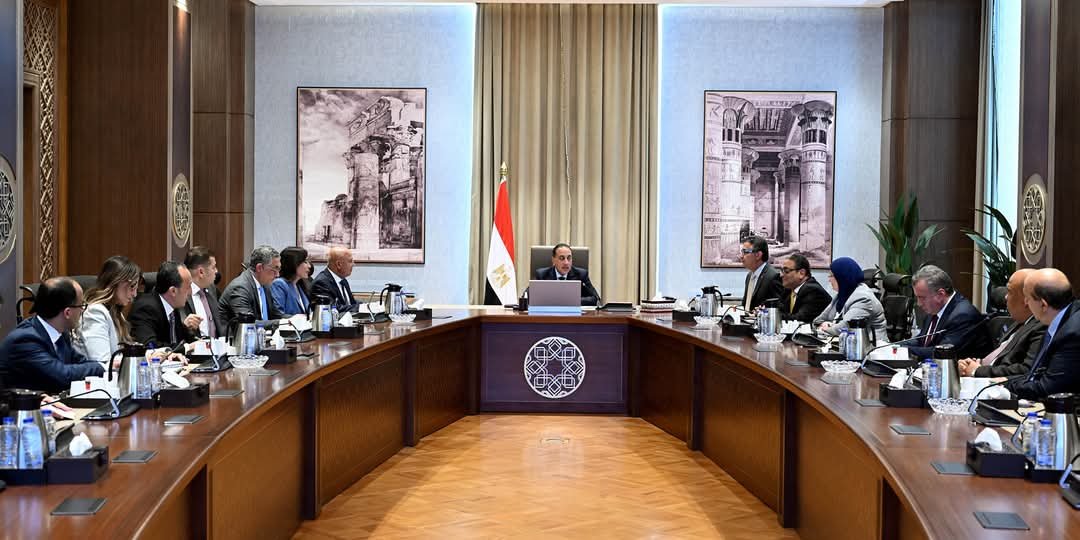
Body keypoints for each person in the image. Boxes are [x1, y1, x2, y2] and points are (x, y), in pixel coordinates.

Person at [0, 277, 103, 392]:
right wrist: (103, 367)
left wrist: (108, 366)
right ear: (67, 313)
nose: (83, 311)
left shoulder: (60, 333)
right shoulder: (25, 339)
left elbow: (80, 363)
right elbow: (62, 376)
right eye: (81, 306)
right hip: (21, 402)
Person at [1004, 268, 1080, 400]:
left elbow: (1048, 388)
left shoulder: (1072, 333)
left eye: (1027, 298)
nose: (1026, 303)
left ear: (1043, 305)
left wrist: (1004, 386)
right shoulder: (1060, 320)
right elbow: (1035, 375)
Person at [958, 269, 1047, 377]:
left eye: (1009, 291)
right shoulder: (1018, 322)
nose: (1005, 297)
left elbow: (1026, 370)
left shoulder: (1041, 327)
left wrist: (977, 371)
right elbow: (998, 356)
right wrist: (973, 364)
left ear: (1026, 299)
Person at [907, 265, 992, 360]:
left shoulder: (963, 316)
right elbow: (921, 341)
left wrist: (904, 351)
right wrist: (895, 347)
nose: (919, 303)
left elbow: (942, 353)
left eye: (922, 298)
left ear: (940, 294)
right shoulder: (935, 309)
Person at [73, 256, 142, 370]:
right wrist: (142, 359)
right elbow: (102, 362)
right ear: (115, 283)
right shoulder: (95, 312)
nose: (135, 294)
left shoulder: (115, 312)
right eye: (132, 286)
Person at [813, 257, 888, 343]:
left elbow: (844, 327)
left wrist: (827, 328)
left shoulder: (863, 298)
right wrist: (826, 325)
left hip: (870, 347)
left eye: (831, 276)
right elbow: (817, 321)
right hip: (845, 343)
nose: (829, 280)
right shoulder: (841, 296)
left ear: (842, 277)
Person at [129, 262, 196, 348]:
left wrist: (198, 341)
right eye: (188, 287)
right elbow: (149, 345)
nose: (191, 292)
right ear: (173, 291)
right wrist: (187, 348)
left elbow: (179, 340)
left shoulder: (172, 306)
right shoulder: (145, 309)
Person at [220, 245, 284, 327]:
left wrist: (293, 319)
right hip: (238, 335)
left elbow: (276, 315)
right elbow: (248, 323)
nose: (278, 275)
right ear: (259, 268)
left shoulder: (265, 285)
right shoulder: (240, 288)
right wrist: (281, 323)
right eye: (275, 269)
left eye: (279, 269)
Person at [179, 246, 226, 339]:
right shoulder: (180, 293)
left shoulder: (212, 289)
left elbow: (222, 323)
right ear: (201, 272)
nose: (216, 271)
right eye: (213, 267)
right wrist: (184, 326)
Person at [532, 243, 600, 306]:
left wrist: (571, 301)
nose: (566, 263)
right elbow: (528, 296)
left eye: (569, 258)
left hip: (573, 313)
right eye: (562, 258)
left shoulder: (581, 275)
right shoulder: (542, 275)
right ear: (553, 260)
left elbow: (595, 298)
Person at [778, 253, 832, 323]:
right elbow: (780, 309)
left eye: (786, 271)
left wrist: (772, 315)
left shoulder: (813, 290)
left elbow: (799, 319)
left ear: (801, 273)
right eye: (781, 271)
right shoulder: (789, 289)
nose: (781, 275)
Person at [740, 237, 783, 312]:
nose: (741, 256)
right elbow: (747, 305)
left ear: (758, 255)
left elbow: (779, 308)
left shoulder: (773, 276)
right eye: (742, 252)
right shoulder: (750, 275)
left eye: (745, 252)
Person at [272, 246, 312, 316]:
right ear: (294, 263)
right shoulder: (279, 284)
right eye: (305, 262)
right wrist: (300, 318)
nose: (309, 266)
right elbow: (278, 314)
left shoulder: (300, 284)